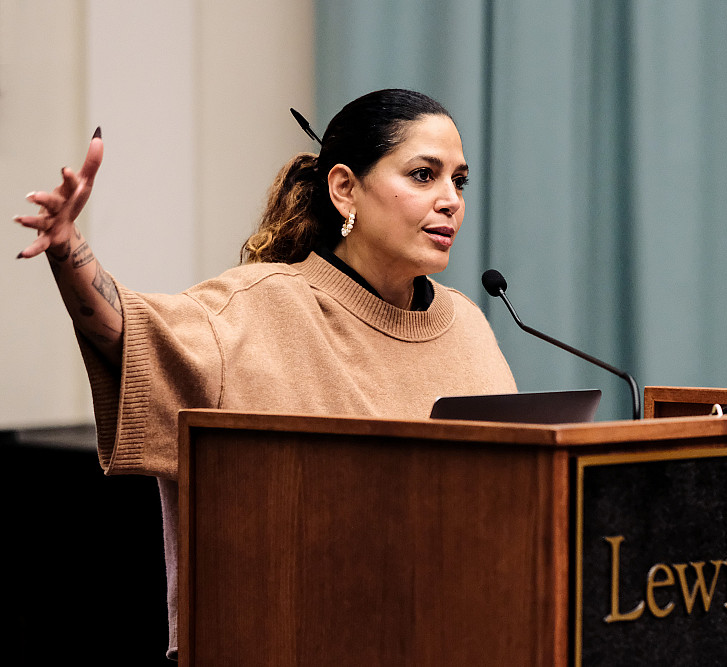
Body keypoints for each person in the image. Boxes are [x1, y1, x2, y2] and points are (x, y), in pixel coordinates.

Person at [15, 89, 517, 660]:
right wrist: (67, 248)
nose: (451, 200)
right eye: (424, 175)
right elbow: (127, 333)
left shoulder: (467, 325)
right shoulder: (258, 307)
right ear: (345, 188)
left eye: (459, 181)